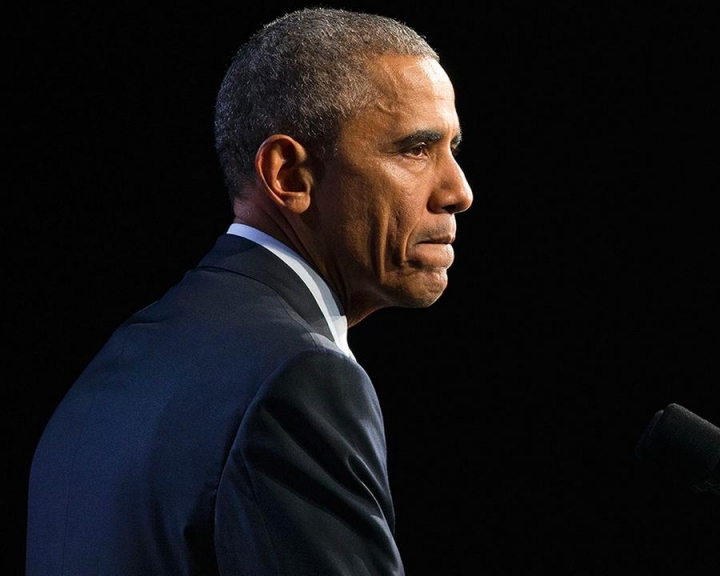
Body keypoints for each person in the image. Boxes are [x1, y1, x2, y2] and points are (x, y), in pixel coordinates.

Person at [26, 7, 472, 575]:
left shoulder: (116, 366)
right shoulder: (299, 377)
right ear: (288, 176)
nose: (459, 191)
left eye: (454, 148)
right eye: (415, 150)